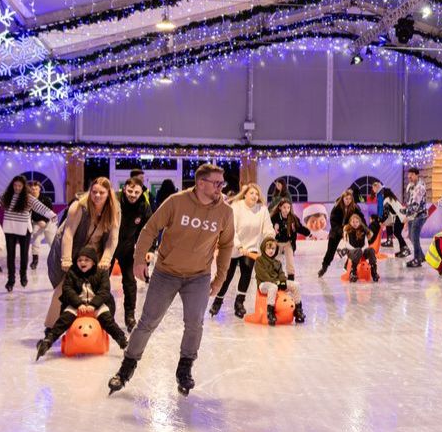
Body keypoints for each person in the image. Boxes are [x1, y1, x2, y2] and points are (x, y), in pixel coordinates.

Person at [110, 163, 236, 396]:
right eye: (216, 183)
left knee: (194, 324)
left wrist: (220, 279)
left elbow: (227, 245)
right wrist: (139, 260)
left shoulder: (225, 212)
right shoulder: (176, 202)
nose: (221, 187)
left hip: (198, 277)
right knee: (148, 322)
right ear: (200, 183)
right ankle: (126, 367)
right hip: (166, 273)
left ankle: (184, 368)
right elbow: (150, 229)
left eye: (222, 183)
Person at [49, 178, 120, 328]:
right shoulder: (79, 206)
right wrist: (66, 259)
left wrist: (106, 259)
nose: (97, 196)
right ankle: (51, 327)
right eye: (94, 192)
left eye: (102, 192)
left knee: (98, 289)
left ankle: (99, 325)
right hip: (73, 250)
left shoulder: (114, 209)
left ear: (109, 193)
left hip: (95, 254)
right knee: (64, 287)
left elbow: (113, 239)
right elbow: (68, 234)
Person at [37, 247, 126, 358]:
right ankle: (47, 341)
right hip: (76, 304)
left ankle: (123, 342)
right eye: (79, 260)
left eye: (86, 260)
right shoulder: (72, 273)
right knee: (63, 320)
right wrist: (78, 304)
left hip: (97, 304)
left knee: (108, 321)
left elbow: (104, 291)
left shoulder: (101, 273)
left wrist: (93, 305)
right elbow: (68, 290)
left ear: (93, 262)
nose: (82, 262)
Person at [215, 183, 270, 317]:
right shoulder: (236, 207)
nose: (255, 196)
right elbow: (231, 229)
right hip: (233, 246)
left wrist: (270, 239)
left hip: (251, 248)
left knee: (246, 273)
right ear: (245, 194)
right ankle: (218, 301)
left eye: (257, 194)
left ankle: (239, 303)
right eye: (252, 193)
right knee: (227, 277)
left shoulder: (262, 209)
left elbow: (268, 228)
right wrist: (239, 246)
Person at [0, 176, 52, 291]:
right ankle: (10, 280)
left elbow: (41, 208)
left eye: (19, 186)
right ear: (12, 185)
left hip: (24, 229)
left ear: (23, 186)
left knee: (24, 254)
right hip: (10, 229)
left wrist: (52, 215)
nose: (17, 188)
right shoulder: (6, 196)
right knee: (10, 255)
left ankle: (23, 275)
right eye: (15, 185)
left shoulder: (28, 198)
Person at [113, 177, 151, 329]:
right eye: (130, 191)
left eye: (136, 192)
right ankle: (101, 314)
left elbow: (148, 230)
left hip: (127, 248)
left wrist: (149, 249)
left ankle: (129, 316)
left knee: (130, 282)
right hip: (108, 246)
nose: (133, 195)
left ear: (142, 192)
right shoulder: (115, 200)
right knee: (100, 280)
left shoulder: (144, 205)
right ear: (124, 189)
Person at [253, 237, 303, 325]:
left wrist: (283, 281)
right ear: (264, 248)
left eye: (273, 248)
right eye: (268, 248)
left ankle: (298, 310)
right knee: (273, 287)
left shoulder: (277, 262)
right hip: (264, 284)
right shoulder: (259, 261)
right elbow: (263, 275)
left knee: (296, 285)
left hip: (277, 283)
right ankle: (270, 312)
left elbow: (281, 274)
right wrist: (276, 282)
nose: (271, 251)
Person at [318, 192, 363, 278]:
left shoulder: (355, 207)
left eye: (350, 199)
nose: (348, 201)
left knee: (354, 248)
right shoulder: (337, 206)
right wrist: (340, 231)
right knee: (330, 250)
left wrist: (365, 230)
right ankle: (324, 267)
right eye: (346, 199)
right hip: (336, 230)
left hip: (349, 230)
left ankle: (349, 264)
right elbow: (332, 220)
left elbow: (361, 218)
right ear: (343, 199)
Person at [403, 168, 430, 268]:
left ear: (417, 175)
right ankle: (421, 256)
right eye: (408, 175)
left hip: (420, 215)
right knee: (410, 235)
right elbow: (409, 201)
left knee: (414, 236)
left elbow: (415, 204)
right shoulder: (410, 185)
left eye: (412, 175)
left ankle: (417, 259)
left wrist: (406, 215)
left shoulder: (420, 187)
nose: (409, 177)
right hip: (412, 215)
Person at [342, 217, 380, 282]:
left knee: (371, 250)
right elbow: (346, 244)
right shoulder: (347, 231)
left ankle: (374, 271)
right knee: (358, 251)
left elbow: (366, 244)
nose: (355, 223)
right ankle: (353, 272)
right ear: (350, 223)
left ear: (359, 223)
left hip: (362, 250)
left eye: (357, 222)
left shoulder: (363, 230)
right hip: (352, 251)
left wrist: (362, 250)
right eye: (353, 222)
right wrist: (356, 250)